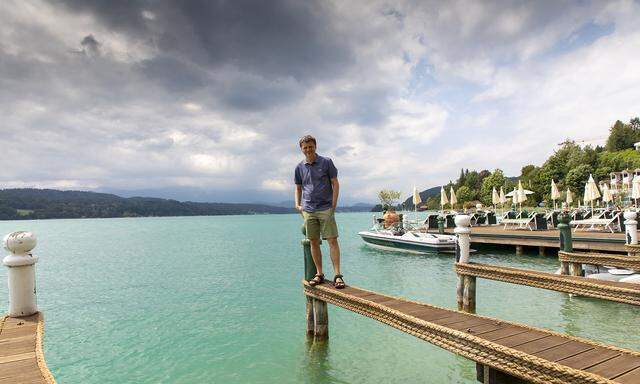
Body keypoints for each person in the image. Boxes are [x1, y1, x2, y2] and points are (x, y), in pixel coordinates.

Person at [294, 135, 345, 289]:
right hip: (308, 209)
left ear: (315, 146)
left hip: (326, 208)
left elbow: (335, 183)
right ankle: (319, 273)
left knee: (332, 240)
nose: (308, 149)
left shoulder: (326, 162)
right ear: (301, 149)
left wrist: (333, 204)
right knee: (314, 242)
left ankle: (337, 275)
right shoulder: (299, 167)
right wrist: (298, 205)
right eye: (305, 147)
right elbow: (298, 188)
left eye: (310, 146)